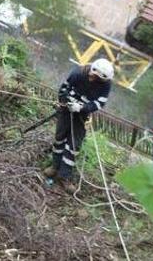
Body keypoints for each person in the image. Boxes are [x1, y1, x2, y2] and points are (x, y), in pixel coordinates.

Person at [44, 58, 114, 186]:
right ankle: (55, 167)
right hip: (66, 110)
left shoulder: (106, 84)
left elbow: (100, 103)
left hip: (82, 116)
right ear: (91, 71)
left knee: (74, 146)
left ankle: (64, 176)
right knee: (59, 138)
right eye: (94, 77)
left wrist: (82, 108)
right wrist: (67, 101)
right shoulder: (78, 73)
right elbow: (63, 90)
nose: (94, 80)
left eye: (99, 79)